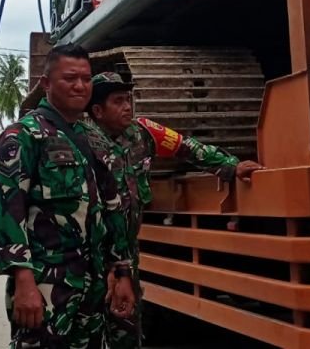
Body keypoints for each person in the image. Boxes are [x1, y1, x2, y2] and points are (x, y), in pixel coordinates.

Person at [83, 72, 264, 348]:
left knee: (126, 328)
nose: (128, 106)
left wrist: (231, 166)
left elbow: (186, 147)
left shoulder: (143, 133)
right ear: (97, 111)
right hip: (92, 256)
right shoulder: (81, 141)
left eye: (128, 99)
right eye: (118, 101)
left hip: (127, 255)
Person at [0, 44, 136, 348]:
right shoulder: (23, 136)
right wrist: (23, 281)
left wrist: (122, 271)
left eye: (86, 78)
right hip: (46, 284)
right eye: (70, 78)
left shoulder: (93, 139)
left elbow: (112, 208)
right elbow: (9, 212)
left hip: (93, 286)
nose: (80, 86)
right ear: (46, 83)